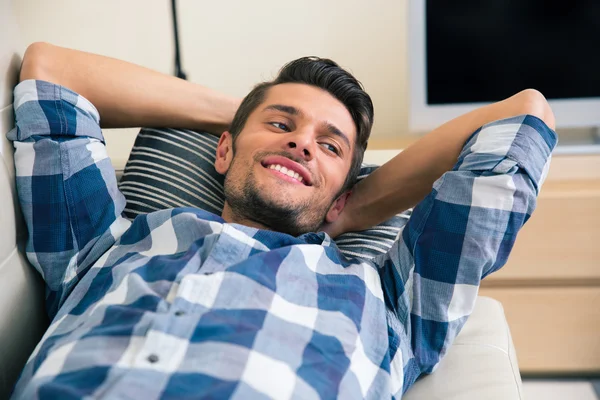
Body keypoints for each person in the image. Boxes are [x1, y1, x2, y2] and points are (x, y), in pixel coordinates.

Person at [9, 42, 556, 399]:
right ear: (222, 151)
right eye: (281, 124)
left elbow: (524, 114)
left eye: (330, 145)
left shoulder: (391, 306)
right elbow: (51, 72)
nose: (300, 141)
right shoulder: (104, 244)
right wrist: (246, 109)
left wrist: (356, 206)